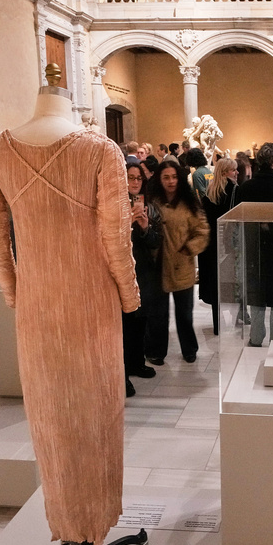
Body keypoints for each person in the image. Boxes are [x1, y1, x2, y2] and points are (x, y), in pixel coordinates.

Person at [230, 142, 273, 345]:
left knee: (257, 295)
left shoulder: (246, 188)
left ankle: (256, 336)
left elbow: (237, 222)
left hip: (254, 250)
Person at [146, 160, 210, 363]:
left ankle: (189, 349)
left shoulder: (189, 204)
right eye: (166, 177)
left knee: (184, 314)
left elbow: (202, 231)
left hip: (182, 265)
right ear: (160, 179)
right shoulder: (152, 201)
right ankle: (156, 351)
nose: (171, 181)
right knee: (158, 314)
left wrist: (188, 249)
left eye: (174, 177)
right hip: (157, 267)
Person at [123, 162, 161, 396]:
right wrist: (126, 223)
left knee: (140, 321)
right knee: (125, 324)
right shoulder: (114, 205)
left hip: (144, 271)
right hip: (123, 270)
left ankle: (137, 363)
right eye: (130, 178)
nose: (135, 182)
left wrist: (145, 227)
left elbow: (156, 241)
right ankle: (123, 373)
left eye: (138, 178)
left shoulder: (149, 206)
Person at [200, 157, 238, 335]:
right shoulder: (234, 191)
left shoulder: (209, 192)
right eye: (233, 170)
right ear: (225, 172)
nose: (236, 173)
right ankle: (237, 318)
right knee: (233, 281)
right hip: (229, 243)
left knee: (215, 284)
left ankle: (217, 323)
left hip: (211, 244)